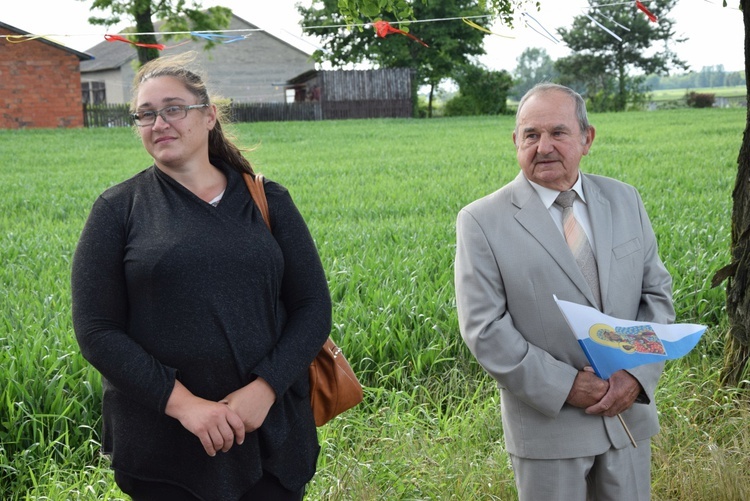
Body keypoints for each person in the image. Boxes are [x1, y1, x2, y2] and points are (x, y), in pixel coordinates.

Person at [71, 52, 332, 500]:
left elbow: (312, 307)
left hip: (270, 435)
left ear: (209, 116)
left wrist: (265, 389)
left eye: (173, 109)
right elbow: (97, 330)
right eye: (145, 115)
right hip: (164, 445)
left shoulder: (266, 199)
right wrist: (187, 407)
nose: (159, 124)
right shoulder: (118, 210)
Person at [454, 83, 674, 500]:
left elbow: (656, 296)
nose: (544, 147)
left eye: (558, 132)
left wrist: (636, 376)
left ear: (587, 139)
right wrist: (567, 385)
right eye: (531, 135)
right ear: (515, 141)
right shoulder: (481, 221)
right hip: (549, 429)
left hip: (628, 417)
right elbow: (484, 329)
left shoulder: (625, 199)